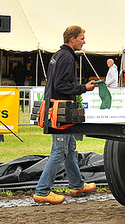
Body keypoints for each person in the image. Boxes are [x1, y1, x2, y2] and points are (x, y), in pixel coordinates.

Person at [33, 25, 98, 204]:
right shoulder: (67, 58)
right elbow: (62, 86)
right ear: (72, 39)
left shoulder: (57, 55)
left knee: (70, 149)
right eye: (82, 38)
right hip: (60, 110)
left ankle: (77, 185)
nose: (84, 41)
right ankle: (42, 190)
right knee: (60, 151)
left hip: (55, 108)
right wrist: (84, 88)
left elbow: (55, 84)